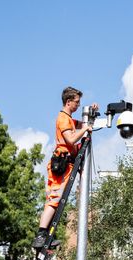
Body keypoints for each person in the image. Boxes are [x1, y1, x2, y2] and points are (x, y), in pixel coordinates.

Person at [32, 86, 98, 250]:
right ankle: (41, 235)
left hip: (67, 164)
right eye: (76, 102)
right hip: (60, 165)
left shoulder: (68, 119)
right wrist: (83, 129)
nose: (78, 105)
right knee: (54, 200)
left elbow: (83, 124)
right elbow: (70, 139)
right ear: (68, 102)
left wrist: (92, 113)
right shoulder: (62, 119)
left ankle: (46, 236)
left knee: (58, 200)